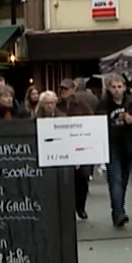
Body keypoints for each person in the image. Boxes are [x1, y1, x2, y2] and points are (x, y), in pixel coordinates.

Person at [102, 73, 132, 229]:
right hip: (111, 146)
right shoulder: (104, 104)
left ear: (125, 87)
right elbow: (96, 123)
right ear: (108, 88)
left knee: (126, 180)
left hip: (128, 145)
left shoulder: (131, 102)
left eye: (119, 87)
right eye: (113, 87)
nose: (116, 90)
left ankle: (122, 209)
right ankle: (118, 213)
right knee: (115, 180)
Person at [54, 80, 97, 220]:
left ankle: (80, 206)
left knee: (82, 177)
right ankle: (68, 208)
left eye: (66, 88)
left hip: (80, 145)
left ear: (73, 89)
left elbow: (90, 122)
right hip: (62, 145)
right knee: (65, 179)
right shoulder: (56, 105)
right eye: (61, 89)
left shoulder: (82, 105)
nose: (63, 91)